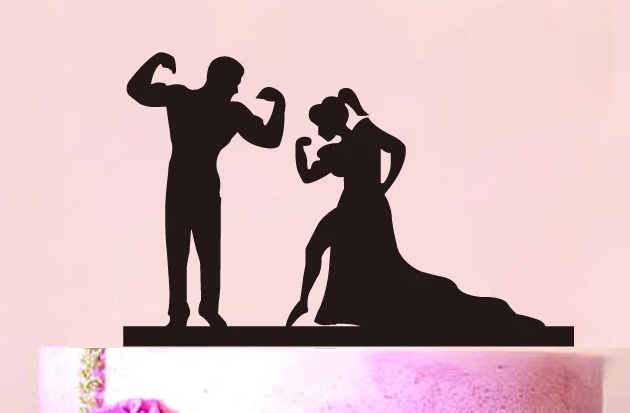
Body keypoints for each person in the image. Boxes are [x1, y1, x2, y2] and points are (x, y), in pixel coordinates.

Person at [285, 89, 546, 339]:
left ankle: (326, 303)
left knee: (370, 260)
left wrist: (385, 185)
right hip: (351, 206)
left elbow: (397, 148)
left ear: (333, 121)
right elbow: (308, 176)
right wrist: (299, 149)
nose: (319, 132)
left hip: (368, 209)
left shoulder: (365, 133)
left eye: (321, 125)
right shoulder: (338, 149)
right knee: (319, 249)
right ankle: (305, 302)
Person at [127, 52, 285, 326]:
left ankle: (204, 309)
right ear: (220, 79)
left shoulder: (224, 109)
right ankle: (183, 311)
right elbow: (137, 91)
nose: (237, 89)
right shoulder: (192, 100)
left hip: (193, 186)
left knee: (203, 252)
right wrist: (155, 60)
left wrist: (279, 106)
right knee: (184, 252)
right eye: (235, 82)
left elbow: (270, 140)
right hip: (190, 186)